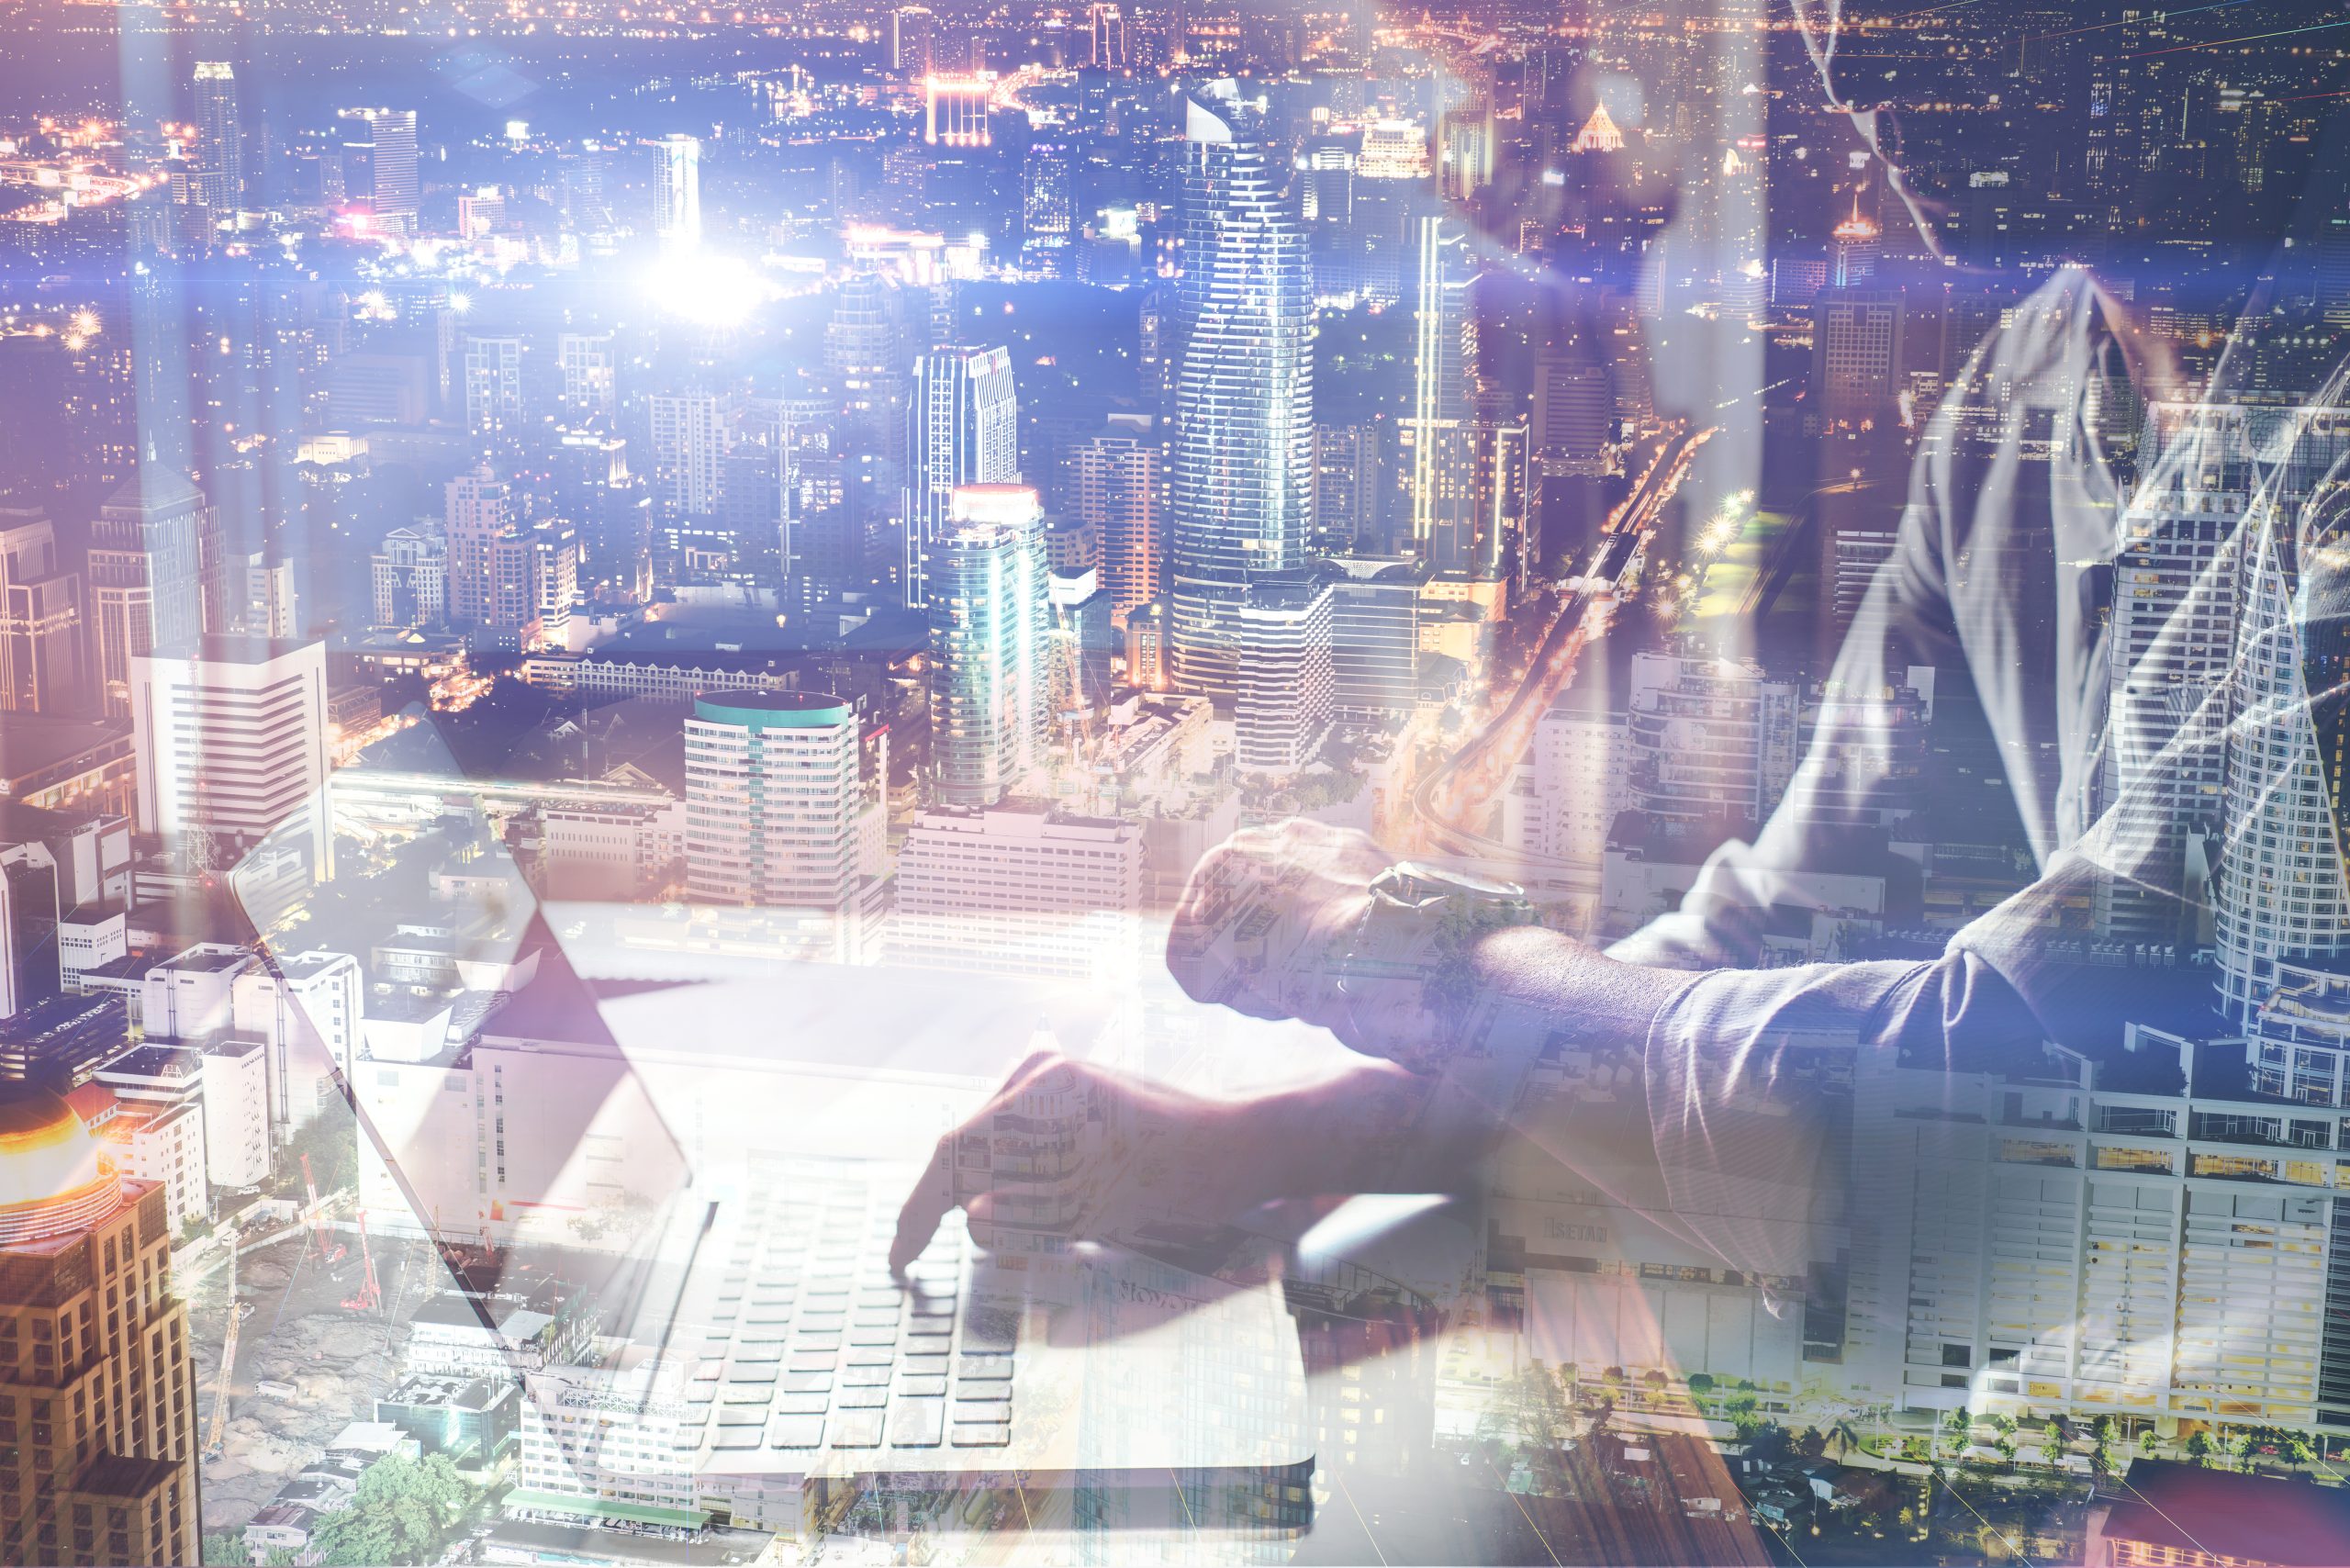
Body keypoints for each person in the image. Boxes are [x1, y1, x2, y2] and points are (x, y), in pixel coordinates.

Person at [891, 0, 2348, 1295]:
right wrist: (1250, 1147)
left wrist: (1391, 949)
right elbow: (1773, 954)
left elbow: (1955, 1126)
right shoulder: (2023, 389)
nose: (1854, 42)